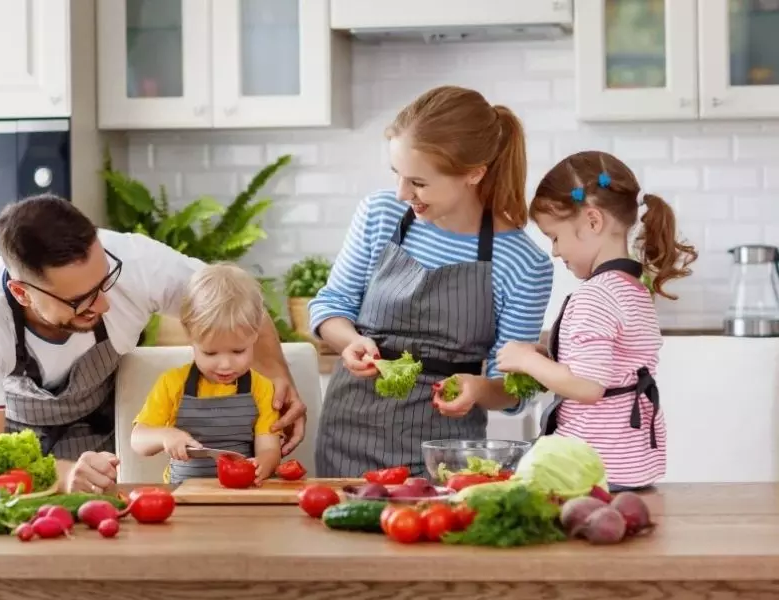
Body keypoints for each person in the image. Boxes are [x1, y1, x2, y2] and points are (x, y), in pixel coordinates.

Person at [0, 194, 306, 494]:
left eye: (105, 281)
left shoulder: (137, 261)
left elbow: (241, 304)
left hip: (102, 439)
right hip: (19, 459)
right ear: (22, 293)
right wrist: (63, 476)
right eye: (81, 300)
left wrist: (277, 377)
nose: (104, 304)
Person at [308, 85, 554, 478]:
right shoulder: (380, 215)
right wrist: (349, 341)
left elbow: (513, 388)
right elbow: (330, 305)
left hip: (443, 450)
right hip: (349, 430)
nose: (402, 193)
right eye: (398, 175)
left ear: (474, 173)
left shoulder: (523, 262)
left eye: (418, 183)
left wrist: (477, 390)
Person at [496, 150, 697, 491]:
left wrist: (527, 361)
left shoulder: (597, 295)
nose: (555, 252)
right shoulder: (633, 288)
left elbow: (588, 386)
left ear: (592, 221)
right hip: (627, 460)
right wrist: (548, 356)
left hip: (592, 465)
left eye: (555, 237)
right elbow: (607, 368)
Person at [130, 263, 282, 485]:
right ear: (190, 336)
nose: (225, 365)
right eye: (210, 352)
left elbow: (269, 447)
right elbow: (138, 440)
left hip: (241, 494)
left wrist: (264, 464)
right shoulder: (172, 383)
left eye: (238, 351)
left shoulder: (261, 388)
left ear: (255, 334)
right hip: (182, 496)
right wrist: (165, 436)